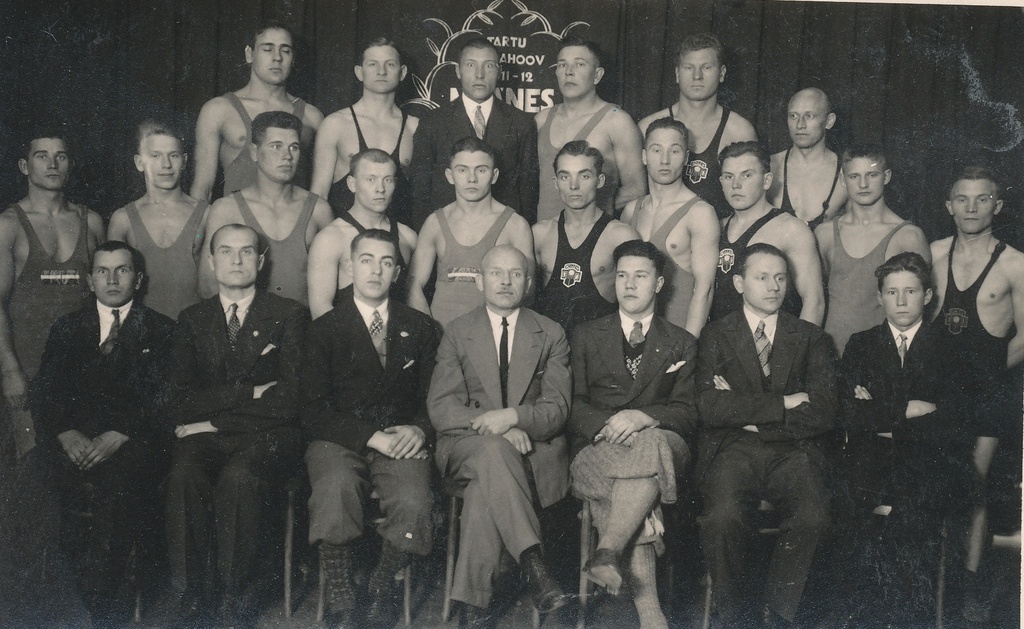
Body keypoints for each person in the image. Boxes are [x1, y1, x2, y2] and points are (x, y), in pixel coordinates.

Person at [164, 224, 307, 626]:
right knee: (183, 473)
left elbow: (289, 399)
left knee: (239, 478)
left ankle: (234, 595)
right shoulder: (192, 319)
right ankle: (193, 592)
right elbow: (178, 400)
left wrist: (212, 422)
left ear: (260, 262)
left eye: (246, 252)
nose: (237, 260)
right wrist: (249, 392)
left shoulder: (290, 314)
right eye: (226, 251)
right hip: (210, 433)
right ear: (211, 262)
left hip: (268, 434)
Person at [29, 241, 174, 625]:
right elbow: (45, 391)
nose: (112, 279)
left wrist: (122, 433)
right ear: (90, 280)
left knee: (117, 486)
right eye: (102, 271)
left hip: (132, 443)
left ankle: (103, 606)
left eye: (122, 270)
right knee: (32, 481)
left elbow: (166, 398)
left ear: (138, 279)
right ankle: (43, 599)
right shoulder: (67, 327)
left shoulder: (162, 329)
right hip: (73, 441)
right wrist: (65, 433)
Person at [427, 245, 571, 628]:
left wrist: (515, 417)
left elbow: (557, 409)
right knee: (492, 451)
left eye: (515, 274)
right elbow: (442, 409)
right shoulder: (458, 332)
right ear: (479, 281)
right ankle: (534, 564)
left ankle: (472, 609)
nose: (505, 282)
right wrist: (499, 427)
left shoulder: (550, 333)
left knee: (483, 488)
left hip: (531, 452)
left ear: (528, 283)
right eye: (495, 273)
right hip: (465, 447)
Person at [302, 229, 440, 627]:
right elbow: (311, 409)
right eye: (366, 260)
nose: (375, 271)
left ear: (397, 272)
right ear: (349, 267)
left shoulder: (421, 327)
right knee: (335, 489)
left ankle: (382, 585)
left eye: (386, 262)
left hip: (400, 439)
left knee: (415, 501)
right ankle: (341, 592)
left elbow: (435, 396)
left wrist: (421, 430)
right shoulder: (324, 329)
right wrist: (369, 436)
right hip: (339, 438)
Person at [696, 243, 835, 628]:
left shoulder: (811, 337)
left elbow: (824, 410)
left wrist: (745, 412)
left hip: (794, 451)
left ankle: (779, 614)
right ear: (740, 283)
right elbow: (709, 406)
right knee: (721, 518)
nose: (773, 287)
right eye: (762, 277)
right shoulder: (715, 335)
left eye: (780, 278)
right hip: (733, 450)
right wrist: (785, 402)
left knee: (815, 517)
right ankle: (736, 618)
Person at [834, 252, 970, 626]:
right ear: (880, 297)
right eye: (892, 292)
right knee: (843, 509)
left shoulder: (951, 347)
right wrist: (910, 408)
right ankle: (861, 613)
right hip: (871, 460)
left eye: (910, 291)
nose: (901, 301)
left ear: (928, 296)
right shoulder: (862, 344)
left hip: (933, 460)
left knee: (912, 519)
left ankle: (905, 617)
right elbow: (848, 413)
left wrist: (881, 413)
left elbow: (955, 419)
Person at [569, 240, 697, 629]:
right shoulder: (585, 335)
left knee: (652, 445)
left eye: (640, 276)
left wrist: (642, 417)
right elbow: (571, 402)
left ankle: (608, 549)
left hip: (660, 441)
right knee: (640, 486)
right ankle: (651, 616)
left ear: (658, 284)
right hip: (600, 446)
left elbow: (689, 411)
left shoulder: (682, 341)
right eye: (622, 275)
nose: (628, 284)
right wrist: (606, 426)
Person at [930, 165, 1024, 623]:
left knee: (973, 483)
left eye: (982, 199)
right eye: (962, 199)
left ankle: (968, 585)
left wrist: (982, 376)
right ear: (948, 206)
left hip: (988, 394)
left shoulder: (1015, 263)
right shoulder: (932, 253)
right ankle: (933, 580)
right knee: (931, 478)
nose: (971, 208)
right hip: (938, 392)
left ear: (997, 206)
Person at [0, 131, 104, 458]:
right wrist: (10, 371)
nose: (52, 164)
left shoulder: (91, 222)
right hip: (28, 370)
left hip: (81, 371)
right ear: (24, 166)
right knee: (34, 464)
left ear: (70, 164)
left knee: (83, 465)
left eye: (61, 156)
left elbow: (107, 297)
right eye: (42, 156)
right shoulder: (9, 225)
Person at [200, 111, 333, 306]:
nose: (287, 156)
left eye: (294, 147)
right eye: (276, 146)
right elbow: (207, 285)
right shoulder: (226, 209)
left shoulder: (318, 210)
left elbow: (333, 286)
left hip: (306, 323)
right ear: (254, 152)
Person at [409, 37, 538, 227]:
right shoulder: (432, 122)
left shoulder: (521, 123)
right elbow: (419, 190)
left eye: (489, 66)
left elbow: (528, 190)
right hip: (448, 230)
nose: (480, 74)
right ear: (458, 70)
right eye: (470, 65)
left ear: (499, 71)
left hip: (503, 231)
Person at [407, 137, 533, 330]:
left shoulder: (515, 225)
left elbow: (527, 291)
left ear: (494, 175)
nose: (471, 178)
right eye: (462, 170)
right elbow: (413, 286)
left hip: (492, 336)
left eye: (481, 170)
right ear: (450, 175)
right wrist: (430, 334)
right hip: (442, 336)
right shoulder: (435, 223)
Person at [816, 144, 930, 356]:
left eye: (872, 175)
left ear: (886, 176)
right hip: (831, 354)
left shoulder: (909, 236)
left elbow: (922, 306)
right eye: (854, 176)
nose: (863, 184)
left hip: (884, 357)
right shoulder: (824, 234)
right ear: (843, 180)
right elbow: (816, 298)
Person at [190, 22, 324, 201]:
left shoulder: (312, 117)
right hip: (236, 216)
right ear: (249, 54)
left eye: (285, 50)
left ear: (293, 58)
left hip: (294, 217)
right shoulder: (219, 110)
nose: (277, 58)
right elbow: (202, 188)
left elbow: (321, 192)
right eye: (268, 49)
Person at [638, 33, 757, 220]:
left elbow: (753, 201)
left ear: (722, 73)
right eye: (689, 67)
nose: (697, 76)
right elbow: (635, 193)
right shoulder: (647, 127)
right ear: (677, 74)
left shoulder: (739, 130)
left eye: (706, 67)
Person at [621, 117, 720, 337]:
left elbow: (704, 290)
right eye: (656, 150)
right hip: (635, 337)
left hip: (677, 338)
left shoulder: (700, 213)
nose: (664, 160)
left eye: (674, 151)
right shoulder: (630, 211)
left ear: (686, 158)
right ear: (644, 156)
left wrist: (689, 345)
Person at [710, 141, 823, 325]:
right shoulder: (716, 227)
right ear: (721, 182)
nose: (736, 185)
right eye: (729, 176)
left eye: (747, 175)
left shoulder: (791, 229)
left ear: (767, 180)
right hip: (721, 338)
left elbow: (814, 302)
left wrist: (797, 344)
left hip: (773, 339)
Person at [533, 140, 638, 339]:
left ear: (600, 180)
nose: (574, 186)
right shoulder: (540, 234)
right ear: (555, 182)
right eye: (565, 176)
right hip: (552, 350)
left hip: (601, 349)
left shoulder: (621, 236)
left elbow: (638, 303)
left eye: (584, 176)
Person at [535, 38, 646, 222]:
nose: (569, 71)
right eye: (562, 65)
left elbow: (636, 189)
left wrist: (597, 212)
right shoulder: (541, 120)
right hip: (544, 234)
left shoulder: (616, 121)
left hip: (593, 234)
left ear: (597, 75)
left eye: (580, 64)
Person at [108, 120, 208, 320]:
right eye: (155, 156)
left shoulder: (206, 213)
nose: (166, 165)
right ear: (139, 163)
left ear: (184, 161)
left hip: (194, 328)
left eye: (174, 155)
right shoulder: (122, 219)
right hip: (142, 329)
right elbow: (112, 287)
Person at [311, 38, 418, 224]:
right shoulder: (335, 124)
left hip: (397, 237)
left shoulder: (414, 127)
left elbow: (421, 199)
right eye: (372, 64)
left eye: (390, 64)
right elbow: (319, 195)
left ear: (402, 73)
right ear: (359, 72)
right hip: (346, 238)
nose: (381, 71)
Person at [306, 149, 416, 319]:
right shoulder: (330, 239)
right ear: (352, 183)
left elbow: (414, 302)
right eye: (371, 179)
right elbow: (320, 309)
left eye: (387, 180)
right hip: (345, 335)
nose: (380, 189)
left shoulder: (408, 237)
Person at [767, 88, 847, 230]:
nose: (800, 125)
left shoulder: (846, 172)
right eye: (793, 116)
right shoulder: (770, 166)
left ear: (829, 121)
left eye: (809, 116)